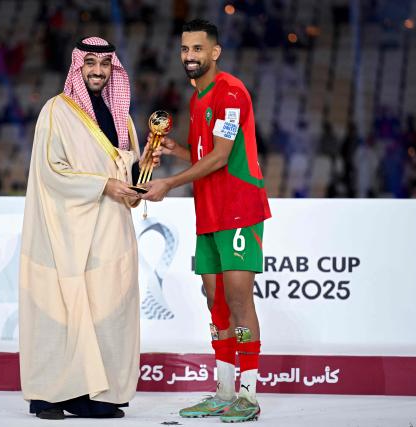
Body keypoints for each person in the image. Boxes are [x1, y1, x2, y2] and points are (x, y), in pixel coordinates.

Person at [18, 37, 157, 420]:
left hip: (111, 231)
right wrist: (104, 185)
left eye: (105, 64)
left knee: (106, 313)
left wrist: (143, 168)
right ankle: (51, 395)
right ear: (77, 67)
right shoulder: (56, 111)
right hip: (66, 232)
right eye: (90, 63)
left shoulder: (121, 115)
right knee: (63, 312)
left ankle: (99, 395)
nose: (98, 70)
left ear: (114, 69)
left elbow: (127, 184)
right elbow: (51, 171)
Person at [143, 19, 271, 423]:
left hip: (238, 209)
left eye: (198, 49)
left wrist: (169, 183)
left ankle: (248, 395)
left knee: (237, 300)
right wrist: (176, 148)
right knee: (215, 301)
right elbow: (204, 155)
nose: (189, 56)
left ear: (214, 52)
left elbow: (219, 158)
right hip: (210, 212)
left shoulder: (231, 92)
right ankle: (224, 391)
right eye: (185, 49)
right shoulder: (197, 99)